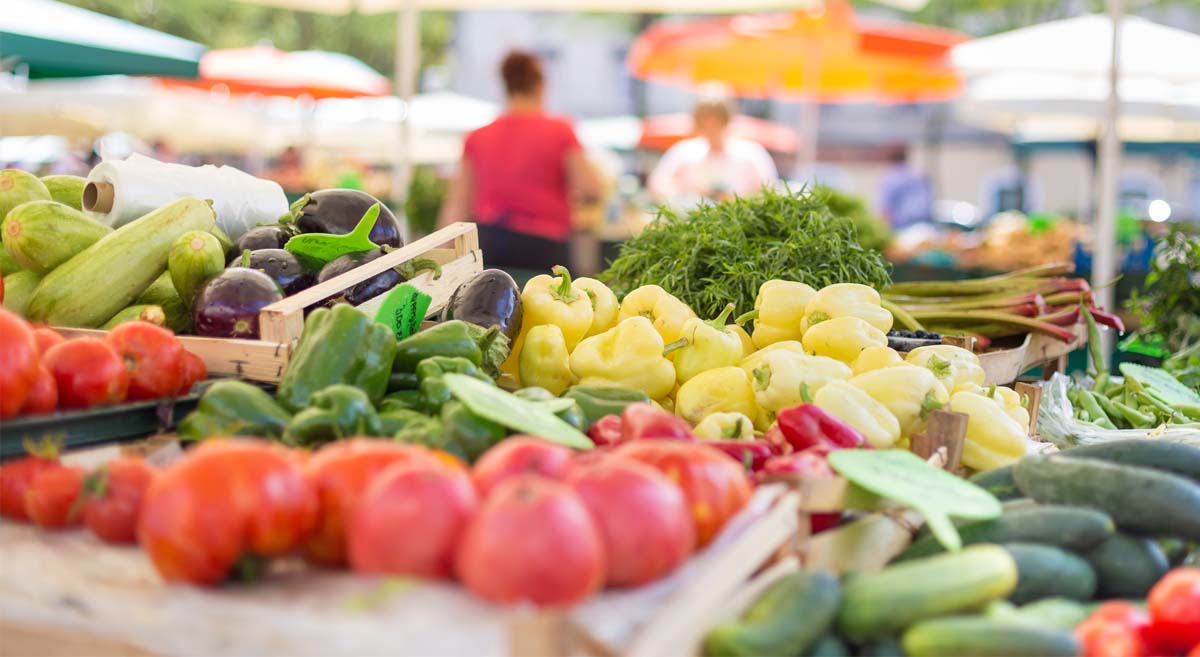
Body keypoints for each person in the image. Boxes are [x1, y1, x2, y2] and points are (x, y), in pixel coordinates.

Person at [437, 50, 600, 271]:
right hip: (544, 245)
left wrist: (443, 255)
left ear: (506, 86)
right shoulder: (560, 131)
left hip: (490, 242)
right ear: (541, 86)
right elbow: (590, 188)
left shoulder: (478, 136)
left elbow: (458, 202)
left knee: (489, 303)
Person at [647, 91, 778, 208]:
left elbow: (768, 190)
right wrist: (685, 193)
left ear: (726, 120)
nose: (711, 126)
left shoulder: (751, 155)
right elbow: (658, 184)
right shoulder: (684, 153)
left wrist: (737, 199)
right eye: (705, 121)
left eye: (716, 120)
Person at [877, 146, 933, 230]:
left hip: (901, 228)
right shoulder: (919, 175)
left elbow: (885, 209)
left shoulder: (891, 178)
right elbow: (929, 200)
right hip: (925, 226)